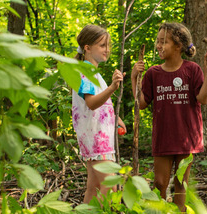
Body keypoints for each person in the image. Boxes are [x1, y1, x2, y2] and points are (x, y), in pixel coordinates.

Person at [131, 22, 207, 211]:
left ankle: (179, 210)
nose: (158, 45)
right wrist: (134, 77)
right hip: (163, 137)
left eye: (163, 42)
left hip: (186, 138)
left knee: (180, 183)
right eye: (157, 41)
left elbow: (203, 99)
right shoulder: (153, 73)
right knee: (159, 183)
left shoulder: (192, 70)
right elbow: (140, 103)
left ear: (178, 46)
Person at [71, 24, 126, 203]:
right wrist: (112, 88)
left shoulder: (93, 72)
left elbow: (102, 105)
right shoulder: (83, 71)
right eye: (102, 45)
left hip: (98, 137)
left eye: (108, 46)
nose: (107, 50)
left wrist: (116, 118)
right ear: (87, 48)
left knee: (94, 187)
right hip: (95, 138)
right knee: (111, 185)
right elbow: (91, 103)